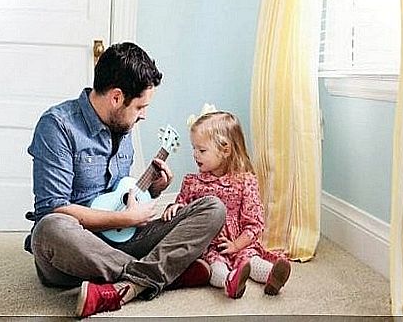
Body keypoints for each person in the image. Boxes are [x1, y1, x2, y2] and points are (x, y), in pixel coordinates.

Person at [24, 42, 226, 318]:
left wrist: (153, 190)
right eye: (141, 106)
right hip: (75, 249)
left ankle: (129, 285)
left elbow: (121, 194)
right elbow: (54, 208)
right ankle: (165, 274)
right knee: (49, 228)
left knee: (213, 207)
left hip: (124, 240)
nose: (144, 114)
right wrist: (127, 220)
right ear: (117, 98)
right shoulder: (57, 126)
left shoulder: (123, 122)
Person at [162, 110, 291, 299]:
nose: (195, 155)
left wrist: (237, 245)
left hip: (241, 242)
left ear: (225, 150)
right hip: (209, 245)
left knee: (251, 259)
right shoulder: (193, 183)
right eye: (194, 148)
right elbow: (182, 205)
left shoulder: (245, 181)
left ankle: (272, 275)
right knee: (216, 265)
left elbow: (255, 222)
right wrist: (174, 208)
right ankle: (230, 282)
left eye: (202, 150)